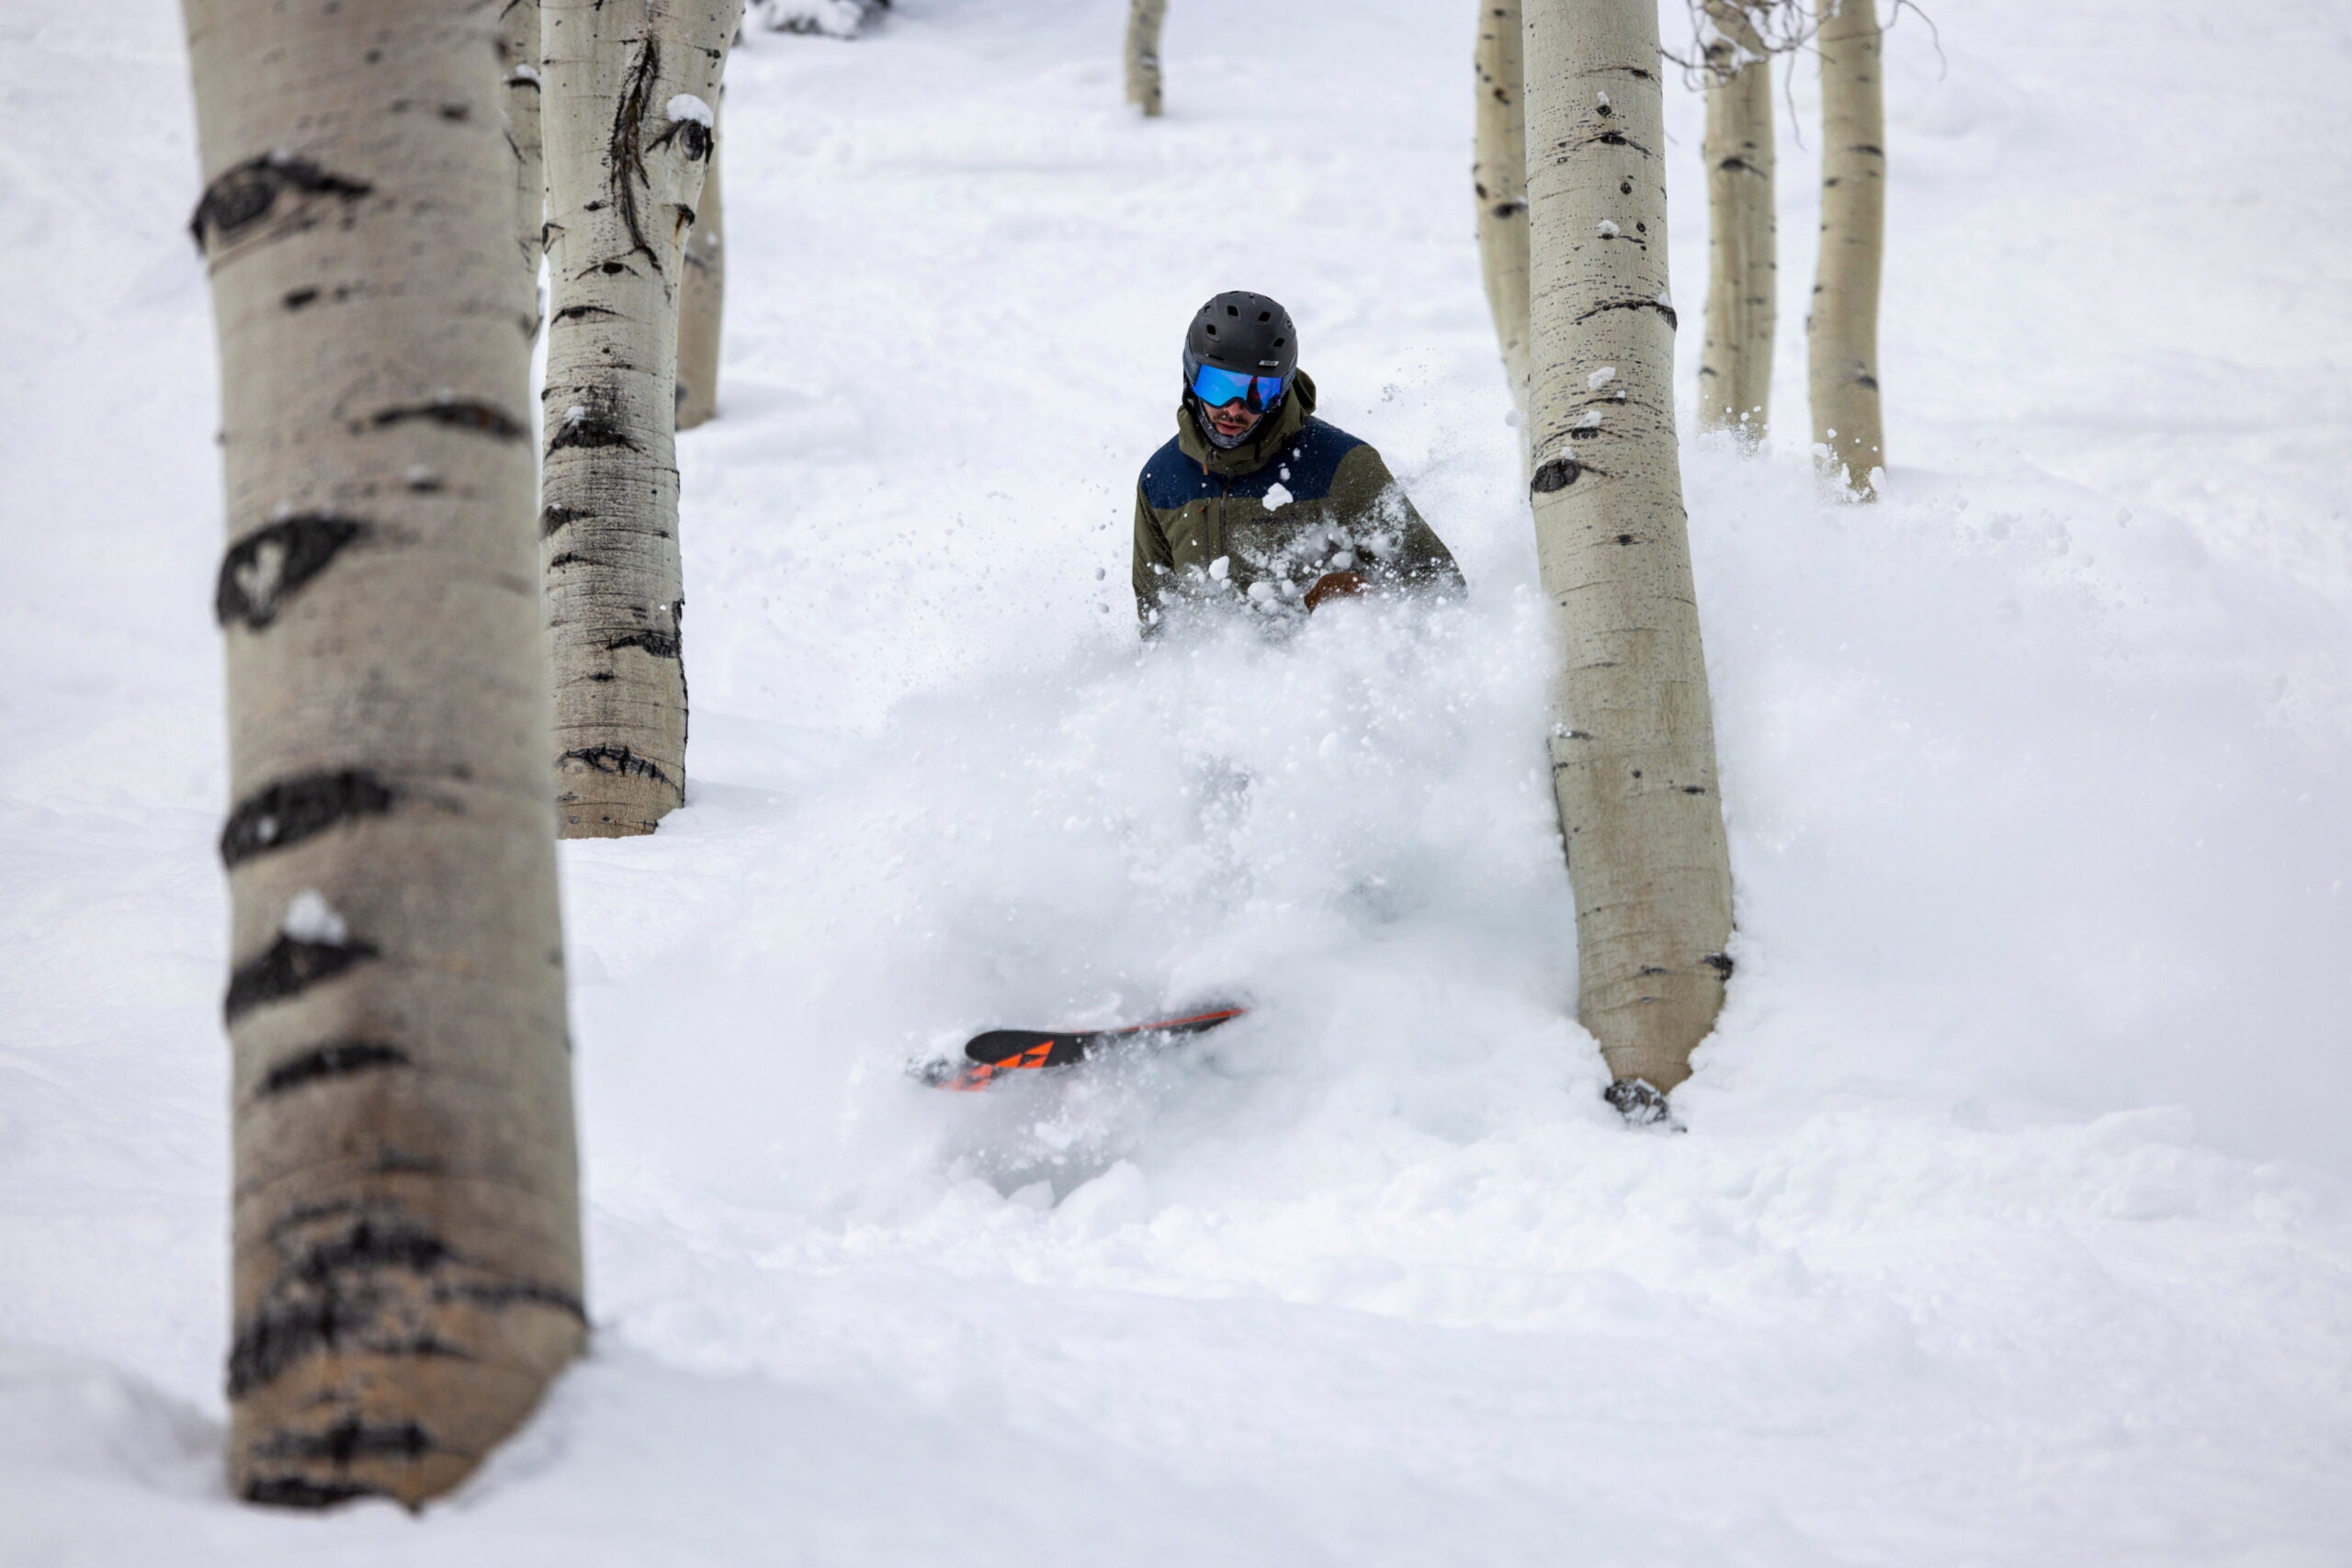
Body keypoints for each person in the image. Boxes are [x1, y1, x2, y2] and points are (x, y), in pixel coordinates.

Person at [1132, 291, 1463, 633]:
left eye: (1257, 391)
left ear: (1282, 389)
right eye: (1218, 385)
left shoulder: (1341, 466)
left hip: (1327, 678)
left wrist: (1368, 605)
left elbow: (1443, 588)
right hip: (1213, 682)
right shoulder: (1162, 481)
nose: (1234, 407)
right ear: (1192, 376)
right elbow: (1157, 626)